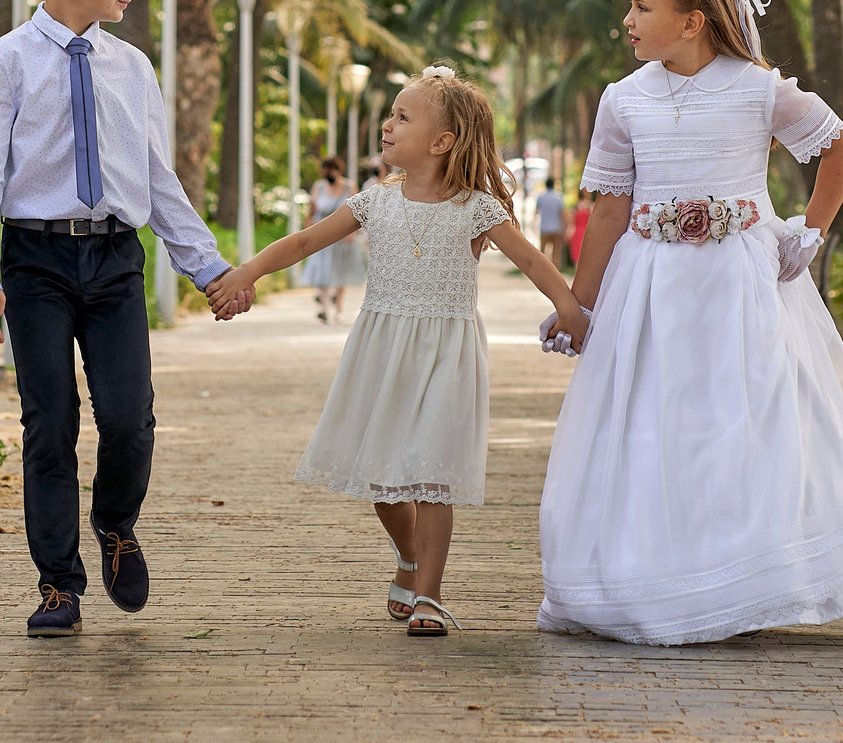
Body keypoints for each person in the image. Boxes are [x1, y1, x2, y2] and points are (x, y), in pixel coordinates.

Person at [535, 0, 843, 645]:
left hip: (736, 285)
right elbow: (611, 209)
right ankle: (648, 575)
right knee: (651, 424)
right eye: (629, 3)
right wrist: (579, 303)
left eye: (641, 6)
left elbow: (841, 148)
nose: (626, 18)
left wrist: (810, 231)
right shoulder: (623, 100)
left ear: (692, 21)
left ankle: (734, 573)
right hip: (650, 287)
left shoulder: (755, 88)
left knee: (733, 422)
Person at [0, 0, 250, 638]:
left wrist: (205, 265)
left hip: (116, 258)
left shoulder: (132, 66)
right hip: (36, 260)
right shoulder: (8, 61)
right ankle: (58, 583)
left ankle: (115, 523)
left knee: (129, 419)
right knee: (49, 422)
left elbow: (157, 177)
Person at [212, 67, 589, 636]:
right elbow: (305, 241)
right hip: (383, 352)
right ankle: (409, 556)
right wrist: (249, 271)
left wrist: (568, 306)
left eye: (402, 117)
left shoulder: (476, 208)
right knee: (385, 481)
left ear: (442, 143)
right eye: (390, 114)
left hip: (446, 352)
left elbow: (534, 260)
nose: (387, 126)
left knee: (433, 477)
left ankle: (430, 597)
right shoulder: (374, 202)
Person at [299, 156, 365, 323]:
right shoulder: (318, 187)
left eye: (332, 170)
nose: (329, 174)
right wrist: (308, 231)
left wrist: (352, 233)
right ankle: (324, 308)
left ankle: (338, 308)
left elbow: (357, 212)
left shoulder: (349, 187)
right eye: (325, 171)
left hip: (343, 237)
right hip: (321, 236)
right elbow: (311, 210)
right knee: (322, 272)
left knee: (341, 272)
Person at [533, 173, 568, 269]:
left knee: (542, 253)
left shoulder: (541, 197)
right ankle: (556, 273)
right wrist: (565, 227)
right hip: (556, 228)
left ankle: (541, 270)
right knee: (556, 253)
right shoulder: (559, 197)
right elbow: (562, 214)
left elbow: (536, 213)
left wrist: (534, 227)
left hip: (544, 228)